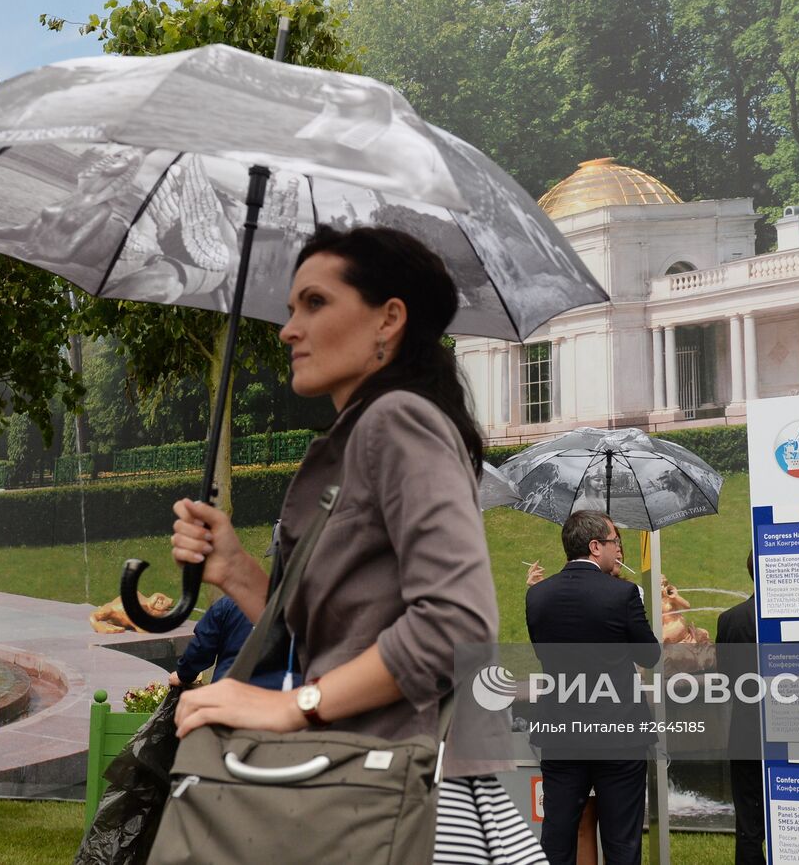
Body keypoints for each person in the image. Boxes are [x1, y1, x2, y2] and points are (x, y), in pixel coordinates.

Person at [169, 225, 546, 864]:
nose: (289, 330)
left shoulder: (397, 421)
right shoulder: (369, 430)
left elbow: (455, 624)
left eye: (315, 303)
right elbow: (340, 639)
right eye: (292, 308)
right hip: (362, 780)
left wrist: (293, 706)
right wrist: (236, 571)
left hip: (400, 791)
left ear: (388, 319)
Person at [525, 510, 661, 865]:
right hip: (620, 733)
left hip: (561, 733)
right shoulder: (623, 593)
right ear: (595, 546)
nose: (619, 549)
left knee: (557, 838)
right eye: (615, 542)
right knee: (622, 841)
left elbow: (543, 653)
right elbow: (649, 655)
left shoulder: (537, 595)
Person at [715, 551, 764, 865]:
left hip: (746, 729)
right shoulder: (790, 619)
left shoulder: (731, 619)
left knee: (748, 821)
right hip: (791, 730)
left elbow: (725, 678)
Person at [168, 594, 289, 690]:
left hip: (226, 692)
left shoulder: (227, 604)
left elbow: (201, 649)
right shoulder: (290, 609)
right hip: (275, 698)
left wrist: (183, 675)